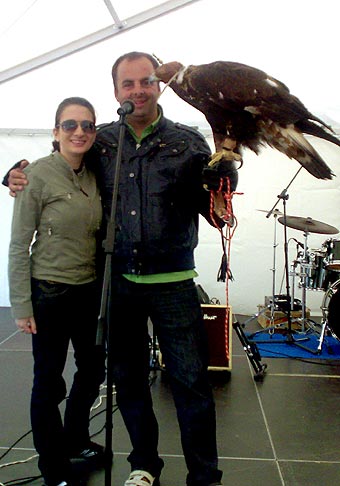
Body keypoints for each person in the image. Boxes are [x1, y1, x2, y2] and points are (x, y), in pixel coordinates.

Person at [6, 52, 238, 486]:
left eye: (146, 81)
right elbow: (59, 168)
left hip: (173, 284)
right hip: (119, 285)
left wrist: (225, 187)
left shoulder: (189, 142)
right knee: (129, 383)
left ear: (159, 85)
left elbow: (211, 203)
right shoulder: (104, 141)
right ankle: (144, 465)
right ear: (116, 92)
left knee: (190, 385)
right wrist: (15, 174)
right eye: (127, 84)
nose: (137, 90)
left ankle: (204, 476)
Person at [8, 97, 106, 486]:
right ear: (55, 132)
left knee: (92, 370)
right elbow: (19, 244)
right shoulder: (36, 176)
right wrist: (21, 304)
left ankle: (75, 438)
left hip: (89, 290)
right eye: (70, 125)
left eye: (87, 126)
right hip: (48, 292)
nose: (79, 132)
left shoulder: (95, 173)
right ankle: (52, 465)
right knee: (48, 381)